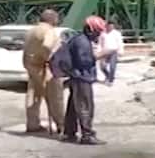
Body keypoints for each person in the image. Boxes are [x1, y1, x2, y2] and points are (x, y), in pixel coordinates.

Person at [62, 15, 107, 145]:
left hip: (75, 77)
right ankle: (87, 135)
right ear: (90, 30)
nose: (98, 36)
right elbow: (84, 61)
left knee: (73, 106)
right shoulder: (82, 42)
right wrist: (98, 56)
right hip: (82, 77)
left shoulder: (77, 39)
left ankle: (69, 132)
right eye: (98, 32)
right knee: (85, 106)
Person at [22, 9, 65, 134]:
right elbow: (47, 45)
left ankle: (32, 123)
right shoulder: (49, 31)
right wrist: (49, 58)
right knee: (55, 97)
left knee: (33, 95)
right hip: (44, 66)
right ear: (53, 19)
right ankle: (61, 124)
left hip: (31, 65)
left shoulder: (31, 30)